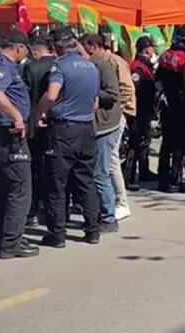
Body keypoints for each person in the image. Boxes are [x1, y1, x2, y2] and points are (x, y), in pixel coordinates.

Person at [35, 29, 102, 247]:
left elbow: (52, 94)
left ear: (58, 47)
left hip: (63, 130)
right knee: (86, 181)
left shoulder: (60, 66)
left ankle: (57, 234)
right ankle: (92, 230)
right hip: (86, 128)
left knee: (56, 183)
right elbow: (95, 103)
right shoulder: (91, 67)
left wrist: (40, 113)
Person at [0, 32, 38, 259]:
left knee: (3, 187)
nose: (26, 54)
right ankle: (12, 243)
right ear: (19, 48)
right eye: (26, 50)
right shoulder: (3, 66)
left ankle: (1, 239)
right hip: (9, 133)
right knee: (20, 189)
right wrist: (16, 116)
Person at [81, 34, 122, 232]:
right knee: (94, 172)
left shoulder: (103, 66)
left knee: (100, 173)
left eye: (80, 48)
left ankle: (109, 217)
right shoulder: (89, 65)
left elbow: (113, 93)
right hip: (94, 126)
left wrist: (92, 93)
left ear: (91, 47)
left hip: (105, 126)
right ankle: (99, 212)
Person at [155, 26, 185, 193]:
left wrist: (164, 94)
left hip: (167, 105)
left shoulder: (165, 55)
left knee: (166, 143)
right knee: (180, 145)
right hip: (182, 106)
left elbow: (157, 79)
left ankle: (163, 178)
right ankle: (175, 179)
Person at [99, 31, 136, 220]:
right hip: (109, 115)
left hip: (116, 116)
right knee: (107, 159)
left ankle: (122, 202)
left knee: (112, 159)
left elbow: (127, 88)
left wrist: (118, 109)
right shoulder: (104, 62)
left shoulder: (114, 62)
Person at [21, 36, 56, 227]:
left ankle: (33, 210)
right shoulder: (59, 65)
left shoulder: (30, 68)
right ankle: (53, 209)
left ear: (35, 51)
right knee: (53, 169)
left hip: (35, 121)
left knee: (34, 168)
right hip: (56, 122)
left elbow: (26, 96)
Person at [125, 37, 156, 192]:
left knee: (144, 142)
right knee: (135, 143)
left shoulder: (146, 66)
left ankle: (144, 171)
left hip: (145, 110)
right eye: (151, 48)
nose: (153, 51)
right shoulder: (137, 68)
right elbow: (134, 89)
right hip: (138, 110)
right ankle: (129, 175)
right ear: (146, 50)